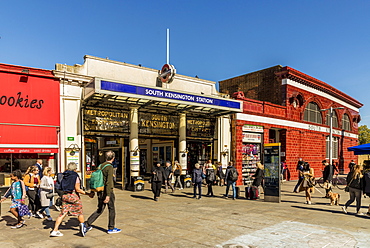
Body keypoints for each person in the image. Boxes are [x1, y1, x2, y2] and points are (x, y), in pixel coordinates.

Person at [50, 162, 93, 237]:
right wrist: (88, 194)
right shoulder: (75, 176)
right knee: (79, 212)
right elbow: (78, 189)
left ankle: (55, 230)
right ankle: (83, 228)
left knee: (63, 213)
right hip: (73, 196)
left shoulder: (64, 175)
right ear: (75, 169)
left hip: (64, 195)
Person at [84, 150, 121, 234]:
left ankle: (86, 224)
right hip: (107, 191)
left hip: (99, 190)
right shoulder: (109, 167)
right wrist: (108, 195)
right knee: (111, 209)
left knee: (100, 209)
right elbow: (109, 182)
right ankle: (111, 228)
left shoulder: (100, 166)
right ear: (113, 158)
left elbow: (95, 180)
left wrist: (92, 191)